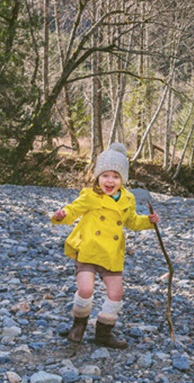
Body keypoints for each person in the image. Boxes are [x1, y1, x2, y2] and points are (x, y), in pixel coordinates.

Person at [51, 142, 159, 349]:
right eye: (105, 175)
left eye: (116, 177)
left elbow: (132, 221)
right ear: (97, 177)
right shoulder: (90, 196)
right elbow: (73, 210)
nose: (110, 181)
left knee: (116, 294)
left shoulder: (127, 198)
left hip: (111, 253)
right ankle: (79, 325)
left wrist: (148, 221)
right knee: (85, 289)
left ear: (123, 180)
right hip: (88, 249)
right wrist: (62, 215)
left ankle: (103, 333)